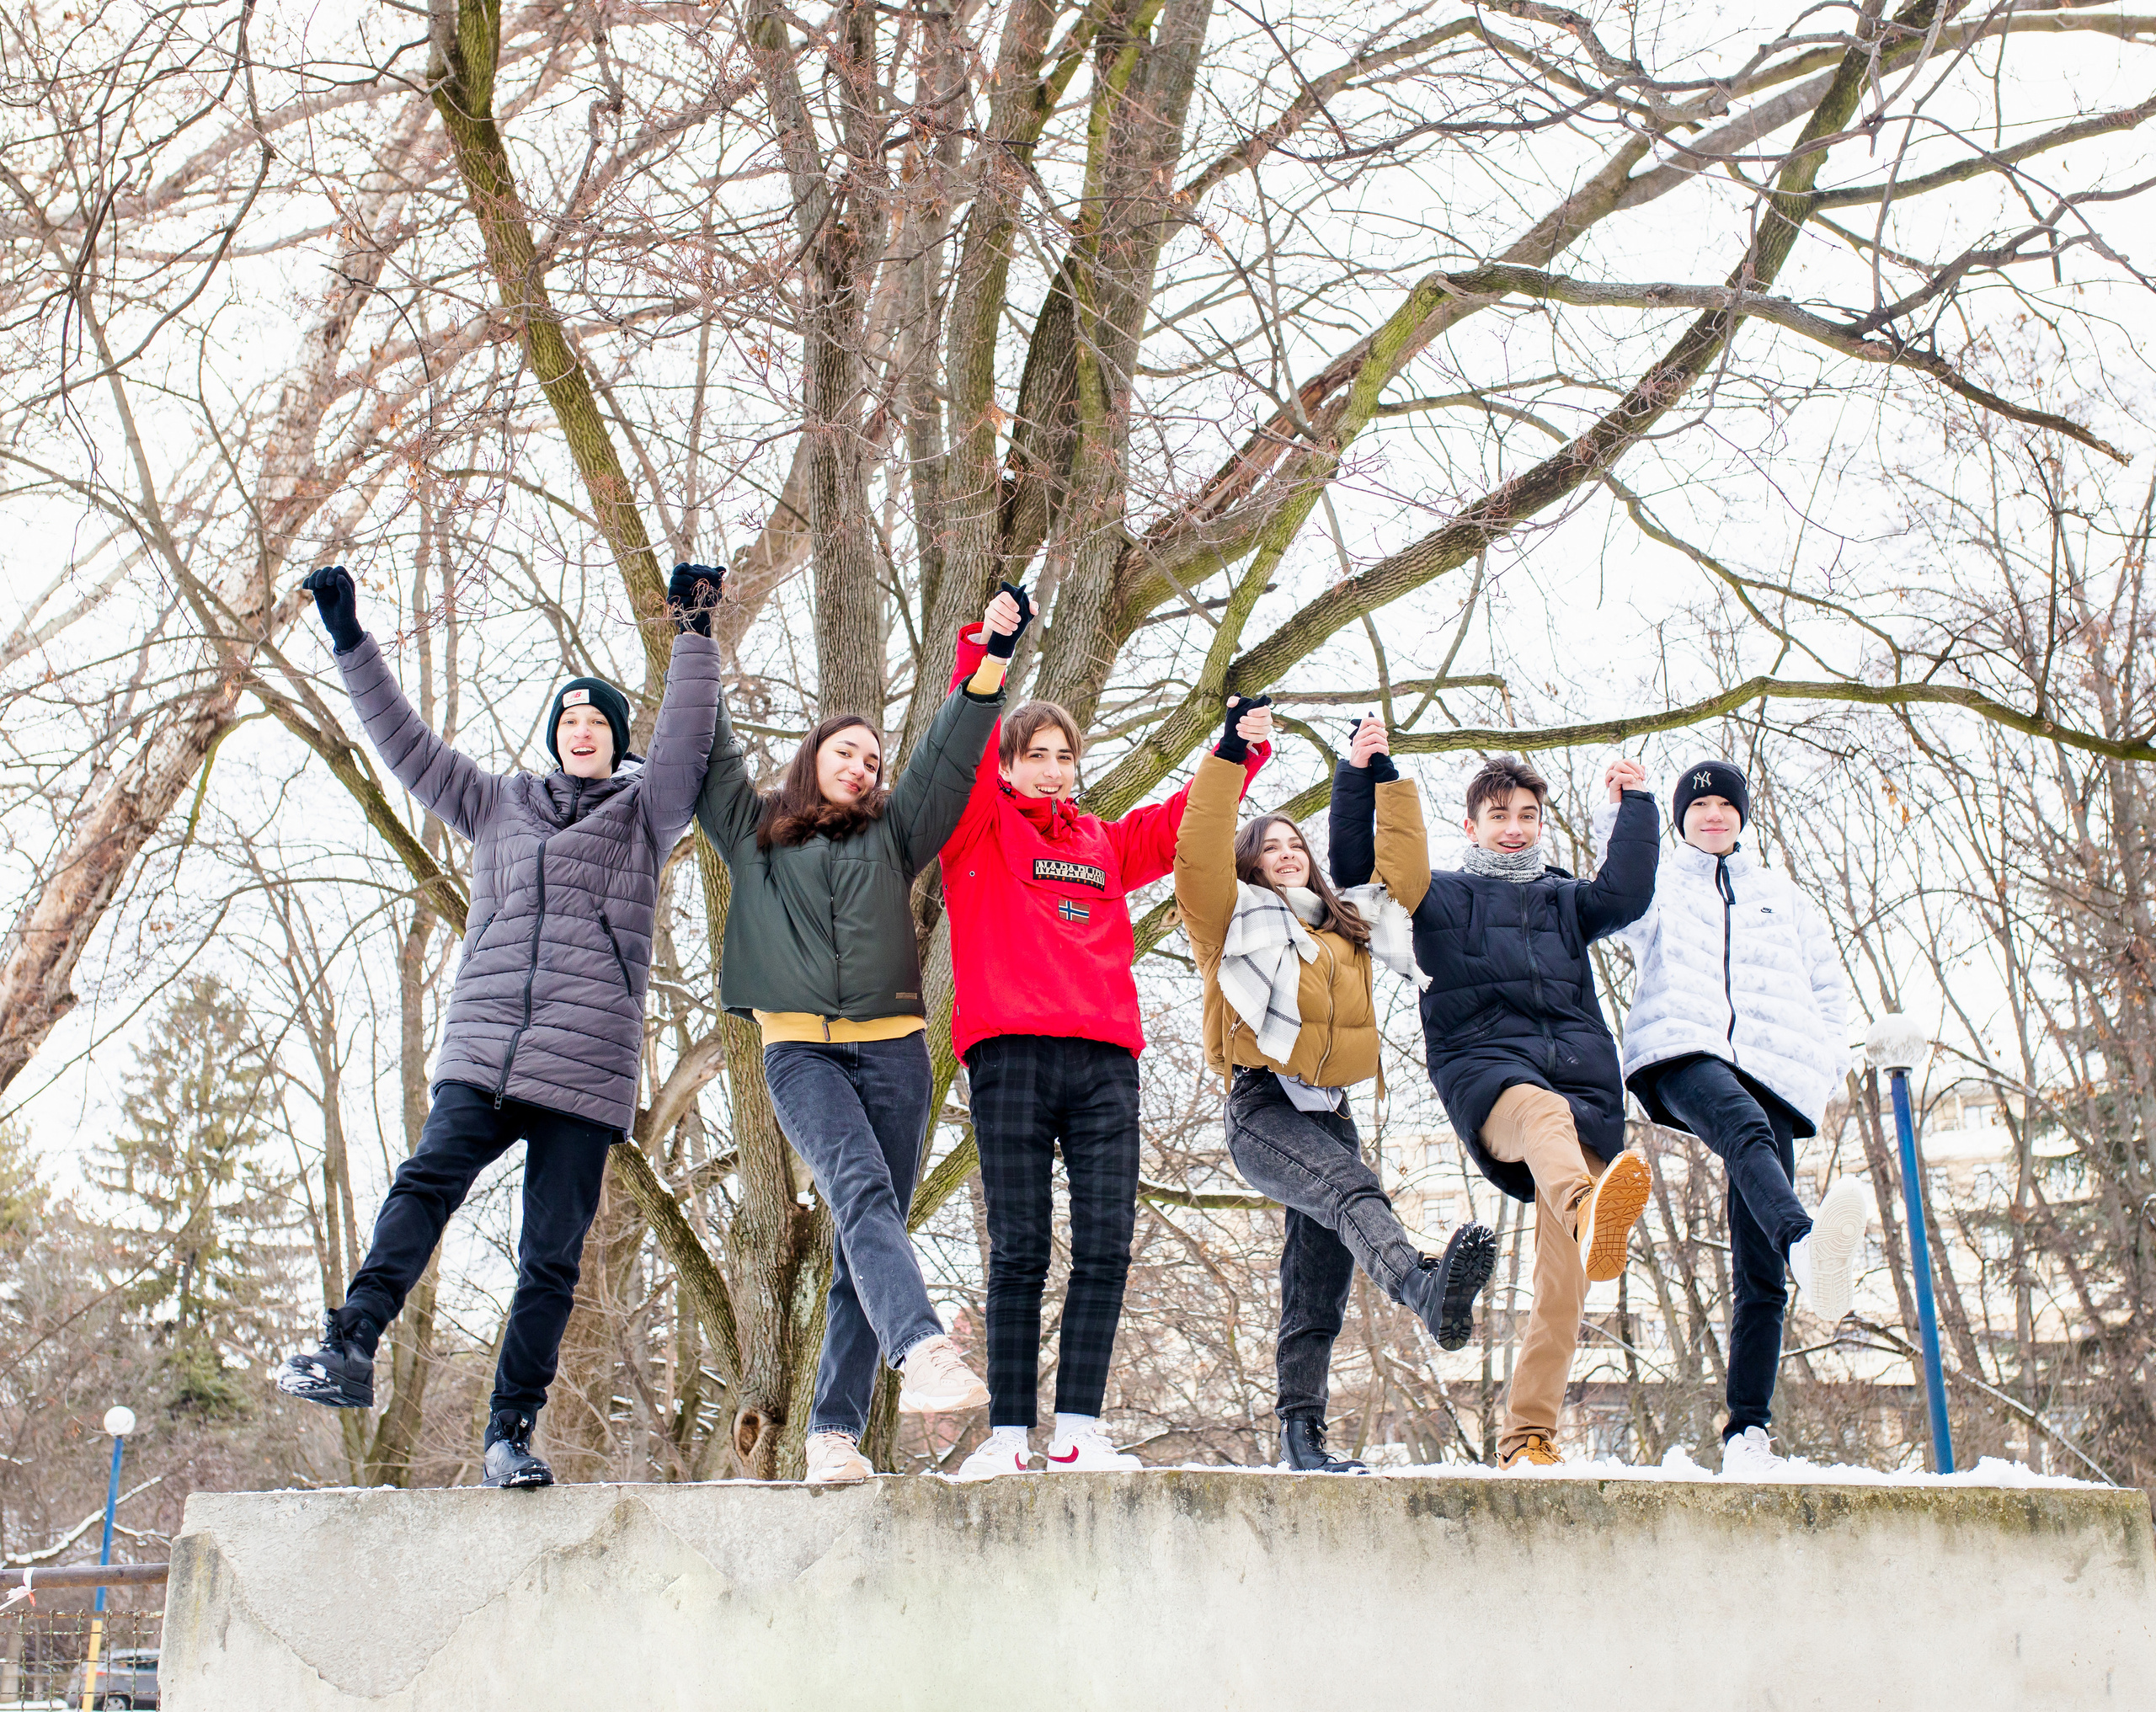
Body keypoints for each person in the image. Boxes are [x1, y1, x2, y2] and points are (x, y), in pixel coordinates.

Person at [276, 562, 725, 1491]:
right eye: (568, 719)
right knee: (425, 1180)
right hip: (484, 1047)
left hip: (584, 1065)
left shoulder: (646, 815)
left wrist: (693, 634)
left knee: (549, 1258)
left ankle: (508, 1431)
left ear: (616, 740)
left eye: (596, 719)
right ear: (553, 737)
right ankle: (350, 1341)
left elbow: (686, 741)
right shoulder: (498, 803)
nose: (581, 729)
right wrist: (350, 642)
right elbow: (403, 743)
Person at [937, 594, 1271, 1480]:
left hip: (1103, 1063)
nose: (1050, 769)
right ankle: (1010, 1437)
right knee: (1019, 1246)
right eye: (1034, 756)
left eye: (1062, 756)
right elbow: (959, 746)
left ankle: (1078, 1428)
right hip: (1009, 1051)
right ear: (1008, 765)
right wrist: (991, 653)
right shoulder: (978, 826)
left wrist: (1233, 747)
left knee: (1106, 1244)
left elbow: (1179, 829)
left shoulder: (1099, 843)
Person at [695, 589, 1018, 1485]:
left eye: (873, 758)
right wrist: (695, 639)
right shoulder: (753, 830)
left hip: (895, 1051)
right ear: (811, 760)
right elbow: (709, 751)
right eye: (846, 750)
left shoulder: (893, 833)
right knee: (862, 1188)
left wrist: (990, 656)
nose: (863, 765)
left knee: (864, 1230)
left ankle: (831, 1436)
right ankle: (918, 1345)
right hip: (800, 1049)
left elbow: (949, 758)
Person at [1176, 697, 1498, 1475]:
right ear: (1250, 860)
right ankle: (1423, 1286)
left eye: (1296, 842)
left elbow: (1406, 874)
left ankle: (1302, 1439)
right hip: (1261, 1108)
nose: (1286, 851)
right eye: (1269, 844)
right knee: (1357, 1192)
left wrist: (1381, 773)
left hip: (1330, 1112)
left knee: (1316, 1282)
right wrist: (1228, 753)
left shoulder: (1343, 928)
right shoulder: (1227, 917)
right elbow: (1196, 853)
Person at [1330, 730, 1657, 1470]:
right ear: (1471, 825)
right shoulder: (1436, 894)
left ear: (1542, 824)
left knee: (1564, 1281)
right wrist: (1357, 776)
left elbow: (1628, 892)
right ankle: (1585, 1207)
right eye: (1499, 815)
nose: (1515, 828)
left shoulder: (1568, 899)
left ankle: (1527, 1436)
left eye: (1527, 816)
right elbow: (1355, 872)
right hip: (1491, 1076)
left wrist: (1635, 805)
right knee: (1545, 1116)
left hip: (1583, 1083)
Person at [1593, 758, 1866, 1478]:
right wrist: (1623, 811)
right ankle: (1807, 1241)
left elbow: (1829, 985)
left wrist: (1823, 1059)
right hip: (1682, 1050)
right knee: (1744, 1133)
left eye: (1724, 805)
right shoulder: (1662, 884)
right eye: (1699, 806)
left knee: (1760, 1272)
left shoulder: (1782, 894)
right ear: (1681, 817)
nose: (1713, 815)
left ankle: (1747, 1432)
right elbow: (1617, 895)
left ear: (1742, 815)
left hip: (1773, 1067)